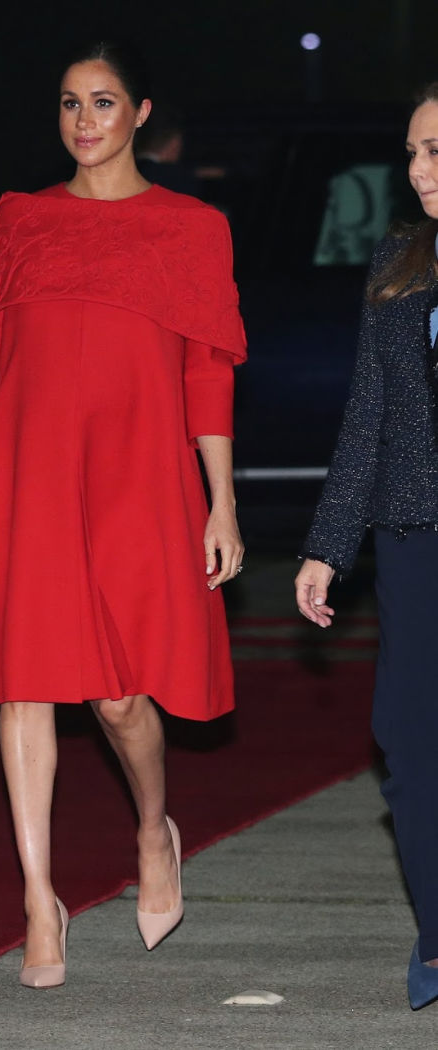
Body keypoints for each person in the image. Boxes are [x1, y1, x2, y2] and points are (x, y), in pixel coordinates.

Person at [0, 40, 247, 989]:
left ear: (141, 114)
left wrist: (220, 502)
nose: (84, 121)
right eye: (70, 103)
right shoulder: (19, 221)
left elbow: (206, 375)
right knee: (26, 684)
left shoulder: (192, 227)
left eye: (104, 103)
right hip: (29, 477)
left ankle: (153, 829)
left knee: (119, 697)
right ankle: (39, 901)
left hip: (141, 479)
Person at [295, 83, 438, 1011]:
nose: (421, 172)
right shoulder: (397, 265)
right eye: (417, 153)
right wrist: (327, 546)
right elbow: (368, 419)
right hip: (414, 538)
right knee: (408, 739)